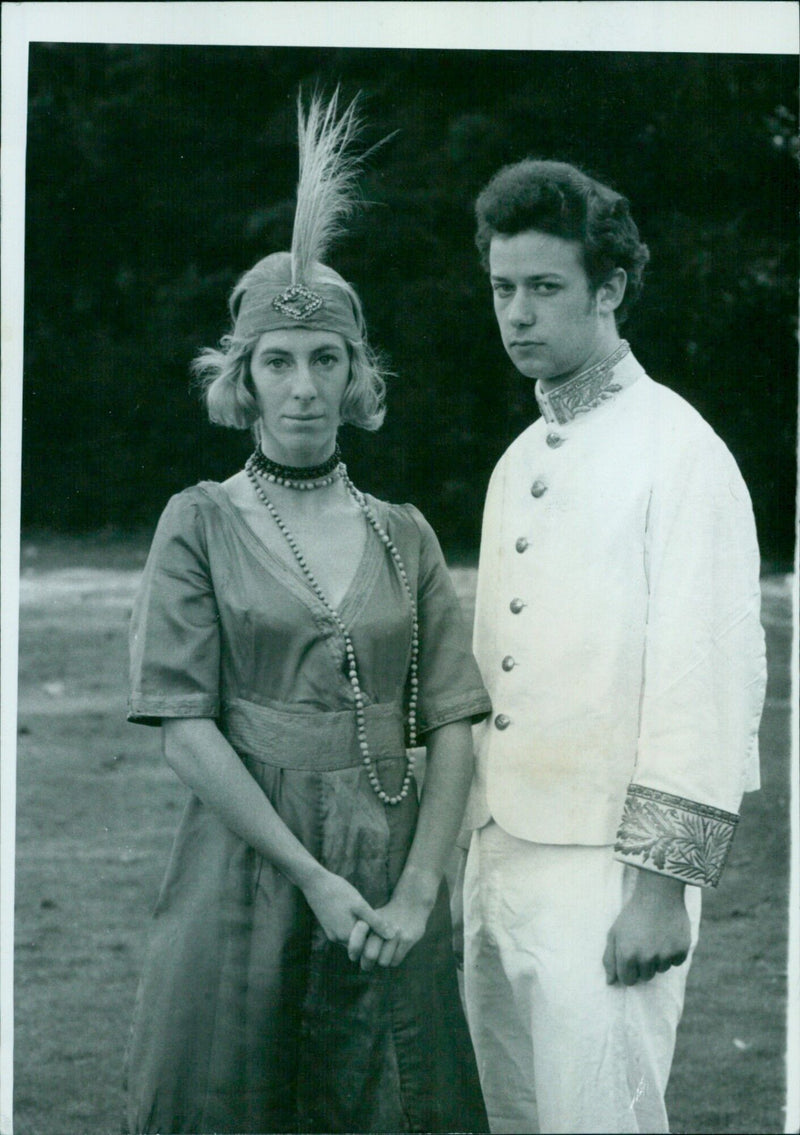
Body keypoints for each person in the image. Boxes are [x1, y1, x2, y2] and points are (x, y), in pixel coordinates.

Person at [123, 92, 490, 1135]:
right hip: (246, 876)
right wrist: (311, 878)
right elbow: (187, 734)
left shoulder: (402, 532)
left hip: (387, 891)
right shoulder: (195, 523)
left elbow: (454, 720)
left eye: (325, 358)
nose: (302, 386)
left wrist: (418, 889)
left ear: (356, 372)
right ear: (240, 376)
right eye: (276, 362)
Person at [459, 159, 767, 1134]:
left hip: (605, 876)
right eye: (502, 288)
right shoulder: (517, 461)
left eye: (543, 288)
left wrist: (657, 892)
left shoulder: (678, 452)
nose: (516, 313)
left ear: (609, 288)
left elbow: (704, 682)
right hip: (495, 862)